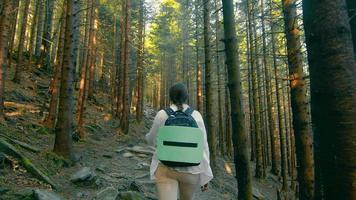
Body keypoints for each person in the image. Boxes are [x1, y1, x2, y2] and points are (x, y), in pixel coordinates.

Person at [146, 83, 213, 200]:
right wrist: (206, 176)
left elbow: (151, 141)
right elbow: (204, 147)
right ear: (186, 97)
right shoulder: (196, 116)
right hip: (191, 172)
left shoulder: (162, 114)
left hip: (165, 168)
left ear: (170, 97)